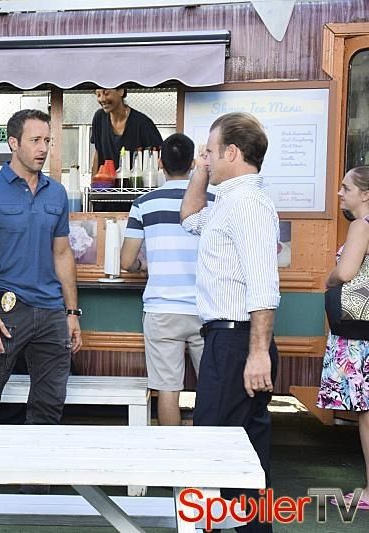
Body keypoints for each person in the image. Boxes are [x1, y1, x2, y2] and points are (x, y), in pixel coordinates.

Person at [180, 112, 279, 533]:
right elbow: (189, 217)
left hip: (238, 342)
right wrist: (202, 169)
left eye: (211, 151)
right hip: (229, 341)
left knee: (218, 452)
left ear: (232, 152)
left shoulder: (248, 204)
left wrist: (257, 354)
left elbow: (263, 286)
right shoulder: (229, 201)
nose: (205, 158)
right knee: (241, 455)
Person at [0, 108, 82, 430]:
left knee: (49, 405)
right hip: (6, 310)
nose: (43, 148)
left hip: (51, 312)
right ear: (14, 143)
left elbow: (62, 254)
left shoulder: (56, 193)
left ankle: (36, 466)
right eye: (35, 140)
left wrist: (71, 313)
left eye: (47, 141)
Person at [121, 133, 213, 426]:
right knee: (211, 389)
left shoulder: (144, 203)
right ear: (193, 164)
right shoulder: (213, 200)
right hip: (206, 309)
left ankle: (170, 450)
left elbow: (127, 261)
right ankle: (209, 449)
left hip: (161, 311)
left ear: (160, 163)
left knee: (168, 390)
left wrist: (143, 265)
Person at [317, 166, 369, 510]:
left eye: (346, 188)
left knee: (367, 414)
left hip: (361, 335)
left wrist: (330, 277)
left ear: (365, 194)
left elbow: (348, 272)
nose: (340, 193)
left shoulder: (362, 225)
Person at [90, 87, 163, 172]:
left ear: (121, 91)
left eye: (106, 93)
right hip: (105, 179)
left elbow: (158, 157)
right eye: (98, 95)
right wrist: (94, 179)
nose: (102, 99)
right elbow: (98, 152)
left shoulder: (143, 123)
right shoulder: (99, 118)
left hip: (135, 179)